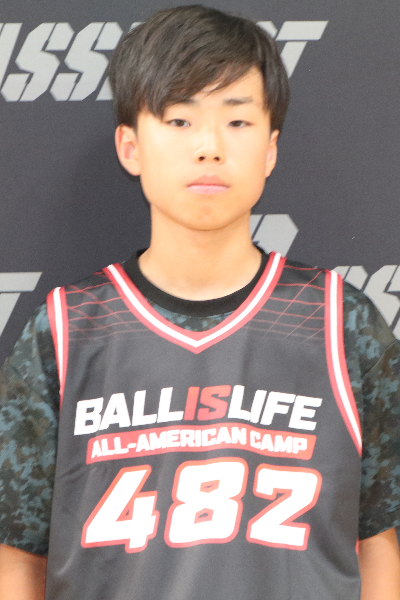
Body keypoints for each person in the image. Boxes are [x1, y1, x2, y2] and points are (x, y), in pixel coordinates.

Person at [1, 5, 400, 600]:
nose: (209, 147)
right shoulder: (65, 330)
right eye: (180, 120)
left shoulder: (341, 323)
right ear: (131, 147)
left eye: (237, 121)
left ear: (270, 148)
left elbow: (377, 542)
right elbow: (18, 556)